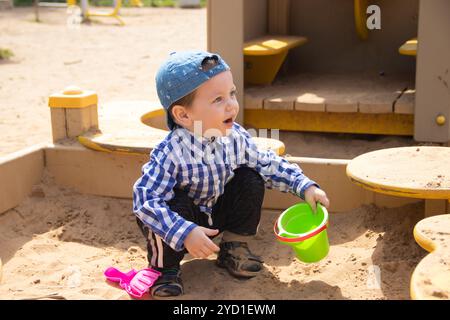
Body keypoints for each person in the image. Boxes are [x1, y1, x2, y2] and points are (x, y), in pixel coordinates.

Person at [133, 51, 330, 298]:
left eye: (232, 94)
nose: (231, 105)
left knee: (250, 177)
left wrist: (303, 185)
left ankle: (233, 247)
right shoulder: (171, 152)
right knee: (171, 203)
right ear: (184, 115)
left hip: (214, 213)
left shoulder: (234, 137)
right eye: (218, 99)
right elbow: (145, 200)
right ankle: (165, 269)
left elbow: (266, 162)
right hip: (182, 221)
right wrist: (185, 232)